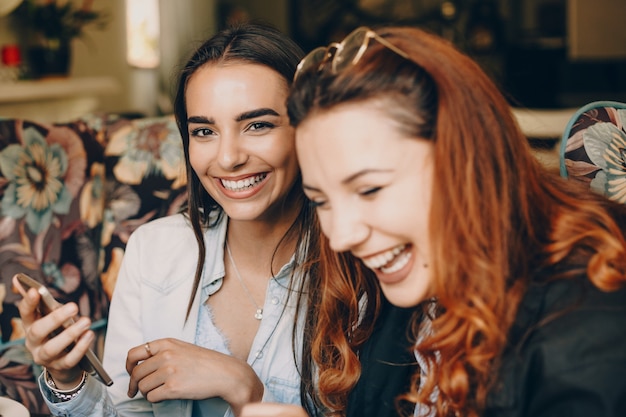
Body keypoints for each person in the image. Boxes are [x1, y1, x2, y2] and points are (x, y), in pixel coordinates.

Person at [242, 25, 626, 417]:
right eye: (320, 200)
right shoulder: (411, 285)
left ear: (465, 158)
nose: (341, 236)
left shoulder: (591, 328)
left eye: (370, 189)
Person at [14, 22, 319, 417]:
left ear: (306, 128)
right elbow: (128, 413)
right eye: (205, 130)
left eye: (257, 125)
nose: (227, 158)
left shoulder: (361, 264)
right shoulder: (152, 249)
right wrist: (68, 379)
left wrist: (244, 388)